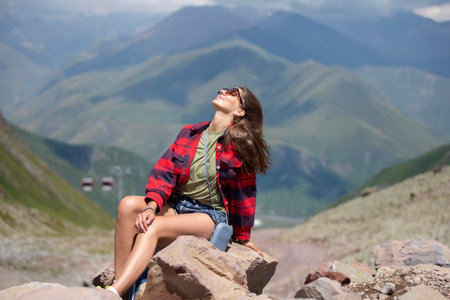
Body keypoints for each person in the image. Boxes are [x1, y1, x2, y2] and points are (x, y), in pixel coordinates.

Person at [107, 86, 271, 297]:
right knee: (128, 205)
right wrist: (151, 206)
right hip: (178, 204)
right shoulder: (190, 133)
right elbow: (165, 173)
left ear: (240, 111)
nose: (223, 90)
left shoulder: (240, 143)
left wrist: (242, 236)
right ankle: (120, 287)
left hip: (209, 215)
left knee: (152, 227)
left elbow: (244, 193)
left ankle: (112, 294)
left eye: (233, 93)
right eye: (224, 89)